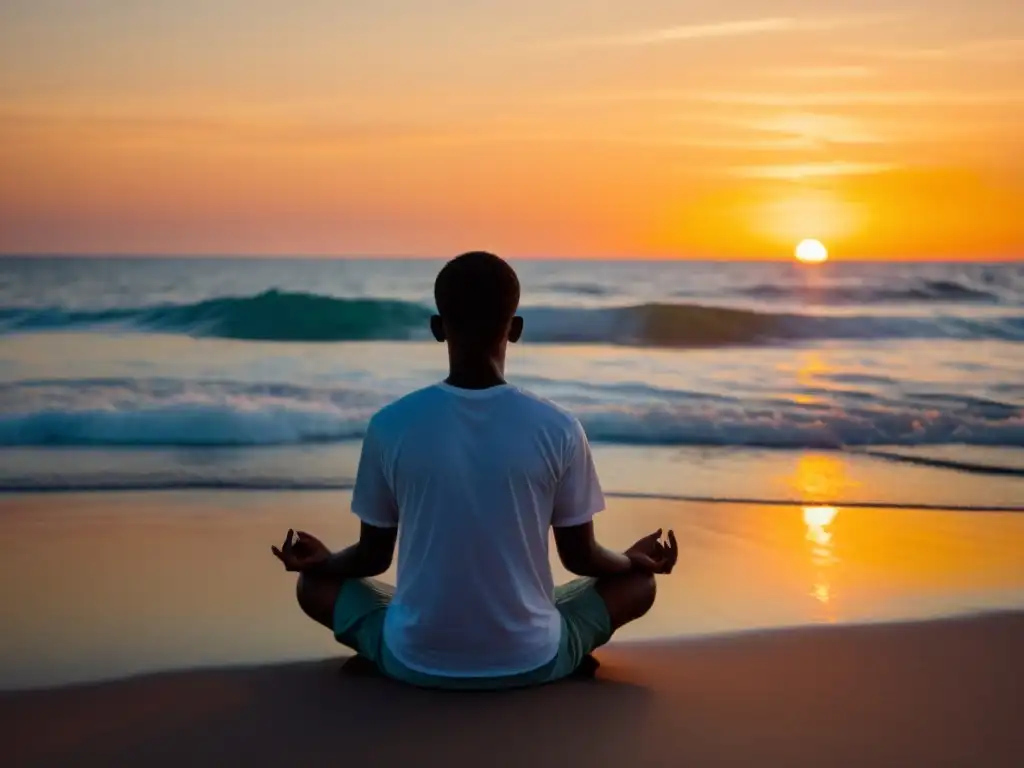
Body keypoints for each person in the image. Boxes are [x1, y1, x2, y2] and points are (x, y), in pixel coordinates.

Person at [272, 251, 678, 690]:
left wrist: (327, 561)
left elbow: (373, 557)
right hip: (531, 660)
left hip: (415, 661)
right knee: (638, 584)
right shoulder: (559, 427)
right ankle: (561, 651)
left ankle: (391, 649)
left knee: (314, 585)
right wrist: (631, 560)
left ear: (437, 327)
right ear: (516, 328)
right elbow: (580, 557)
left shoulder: (391, 423)